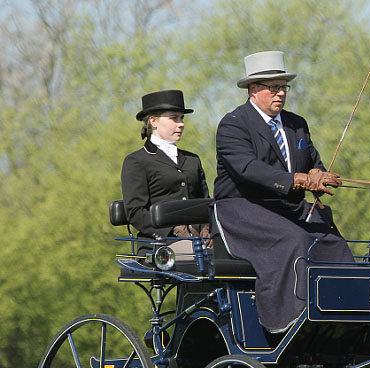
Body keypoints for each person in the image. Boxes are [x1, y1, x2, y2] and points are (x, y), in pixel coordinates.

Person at [213, 50, 353, 333]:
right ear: (254, 90)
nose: (280, 94)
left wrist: (317, 174)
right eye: (273, 88)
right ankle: (289, 320)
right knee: (295, 239)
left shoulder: (296, 124)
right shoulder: (233, 125)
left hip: (288, 207)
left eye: (283, 87)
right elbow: (249, 169)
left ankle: (347, 313)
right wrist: (298, 180)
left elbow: (312, 160)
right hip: (242, 208)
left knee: (333, 241)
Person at [121, 89, 210, 256]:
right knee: (200, 257)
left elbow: (205, 202)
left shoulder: (193, 160)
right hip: (159, 243)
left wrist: (207, 228)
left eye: (182, 118)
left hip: (200, 240)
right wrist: (173, 230)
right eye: (174, 118)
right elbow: (135, 212)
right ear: (153, 121)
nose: (181, 123)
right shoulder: (137, 161)